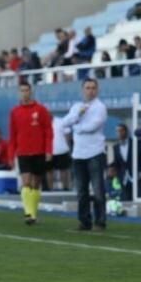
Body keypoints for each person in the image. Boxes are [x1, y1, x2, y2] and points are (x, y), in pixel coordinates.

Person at [60, 78, 108, 231]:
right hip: (78, 154)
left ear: (97, 90)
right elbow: (64, 123)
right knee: (81, 191)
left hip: (95, 152)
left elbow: (93, 126)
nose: (90, 90)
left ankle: (100, 222)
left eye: (93, 87)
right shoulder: (77, 107)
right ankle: (84, 221)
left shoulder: (100, 107)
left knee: (98, 190)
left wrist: (77, 128)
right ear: (82, 90)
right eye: (87, 88)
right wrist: (77, 116)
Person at [7, 81, 52, 225]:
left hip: (39, 151)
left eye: (26, 90)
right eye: (22, 90)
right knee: (26, 182)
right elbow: (12, 134)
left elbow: (48, 131)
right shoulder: (14, 111)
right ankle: (29, 213)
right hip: (23, 152)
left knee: (35, 184)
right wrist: (11, 154)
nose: (24, 93)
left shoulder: (41, 109)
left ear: (30, 92)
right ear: (19, 92)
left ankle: (33, 212)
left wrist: (48, 150)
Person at [49, 104, 73, 191]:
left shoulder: (61, 121)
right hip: (49, 151)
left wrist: (69, 147)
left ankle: (65, 187)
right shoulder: (43, 123)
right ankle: (50, 189)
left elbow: (68, 134)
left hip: (62, 150)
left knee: (64, 170)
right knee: (49, 171)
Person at [111, 123, 133, 201]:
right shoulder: (115, 147)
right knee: (124, 198)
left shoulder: (134, 144)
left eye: (121, 131)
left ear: (126, 131)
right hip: (122, 177)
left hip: (135, 176)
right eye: (117, 131)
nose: (119, 133)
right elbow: (117, 163)